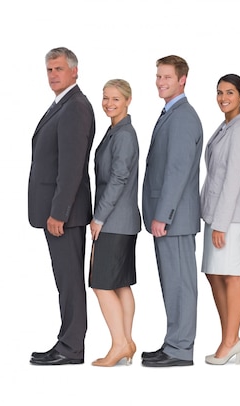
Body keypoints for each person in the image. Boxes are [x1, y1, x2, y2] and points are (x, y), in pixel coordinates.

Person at [29, 47, 95, 365]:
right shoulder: (62, 105)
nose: (53, 75)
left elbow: (71, 167)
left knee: (69, 281)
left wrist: (59, 212)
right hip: (58, 212)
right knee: (65, 280)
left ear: (74, 71)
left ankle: (71, 348)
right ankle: (67, 341)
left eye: (58, 69)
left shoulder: (75, 107)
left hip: (64, 216)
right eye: (49, 70)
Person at [141, 55, 203, 367]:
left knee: (181, 284)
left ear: (182, 80)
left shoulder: (182, 117)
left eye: (167, 77)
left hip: (174, 219)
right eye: (158, 76)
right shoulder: (171, 113)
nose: (161, 82)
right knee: (172, 283)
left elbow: (177, 171)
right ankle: (172, 342)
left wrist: (162, 215)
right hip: (170, 218)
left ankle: (180, 349)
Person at [201, 74, 240, 365]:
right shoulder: (225, 126)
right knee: (214, 273)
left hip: (230, 217)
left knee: (231, 274)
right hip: (215, 214)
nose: (224, 98)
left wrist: (220, 223)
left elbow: (233, 180)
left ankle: (231, 340)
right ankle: (229, 338)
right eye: (220, 92)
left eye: (230, 92)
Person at [89, 79, 141, 367]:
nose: (109, 103)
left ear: (128, 100)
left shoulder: (124, 135)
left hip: (114, 221)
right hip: (122, 222)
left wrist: (99, 218)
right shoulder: (115, 131)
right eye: (106, 98)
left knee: (101, 283)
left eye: (115, 99)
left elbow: (119, 179)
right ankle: (127, 342)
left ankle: (119, 343)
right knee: (120, 284)